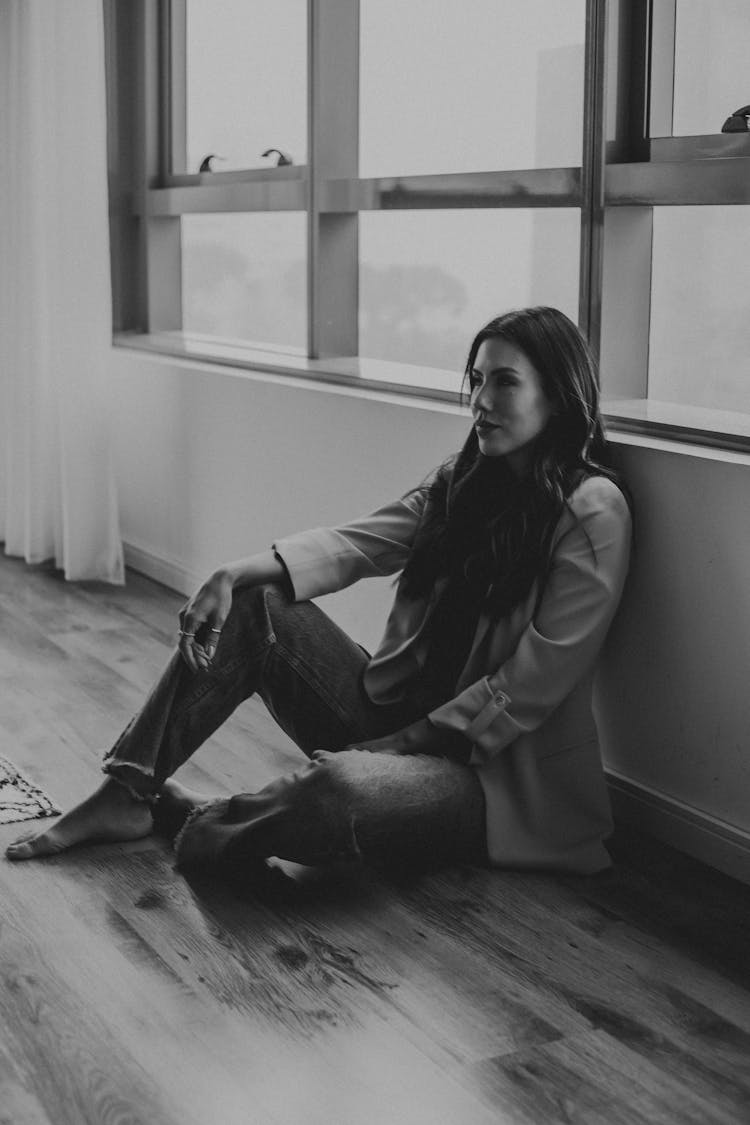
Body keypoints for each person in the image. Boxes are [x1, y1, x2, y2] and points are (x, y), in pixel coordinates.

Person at [6, 306, 632, 878]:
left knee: (345, 790)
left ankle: (213, 815)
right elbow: (356, 544)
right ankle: (126, 793)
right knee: (256, 604)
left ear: (557, 391)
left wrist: (396, 747)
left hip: (486, 777)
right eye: (477, 380)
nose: (481, 402)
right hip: (392, 718)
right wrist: (233, 573)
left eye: (506, 382)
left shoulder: (591, 510)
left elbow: (530, 684)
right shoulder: (464, 482)